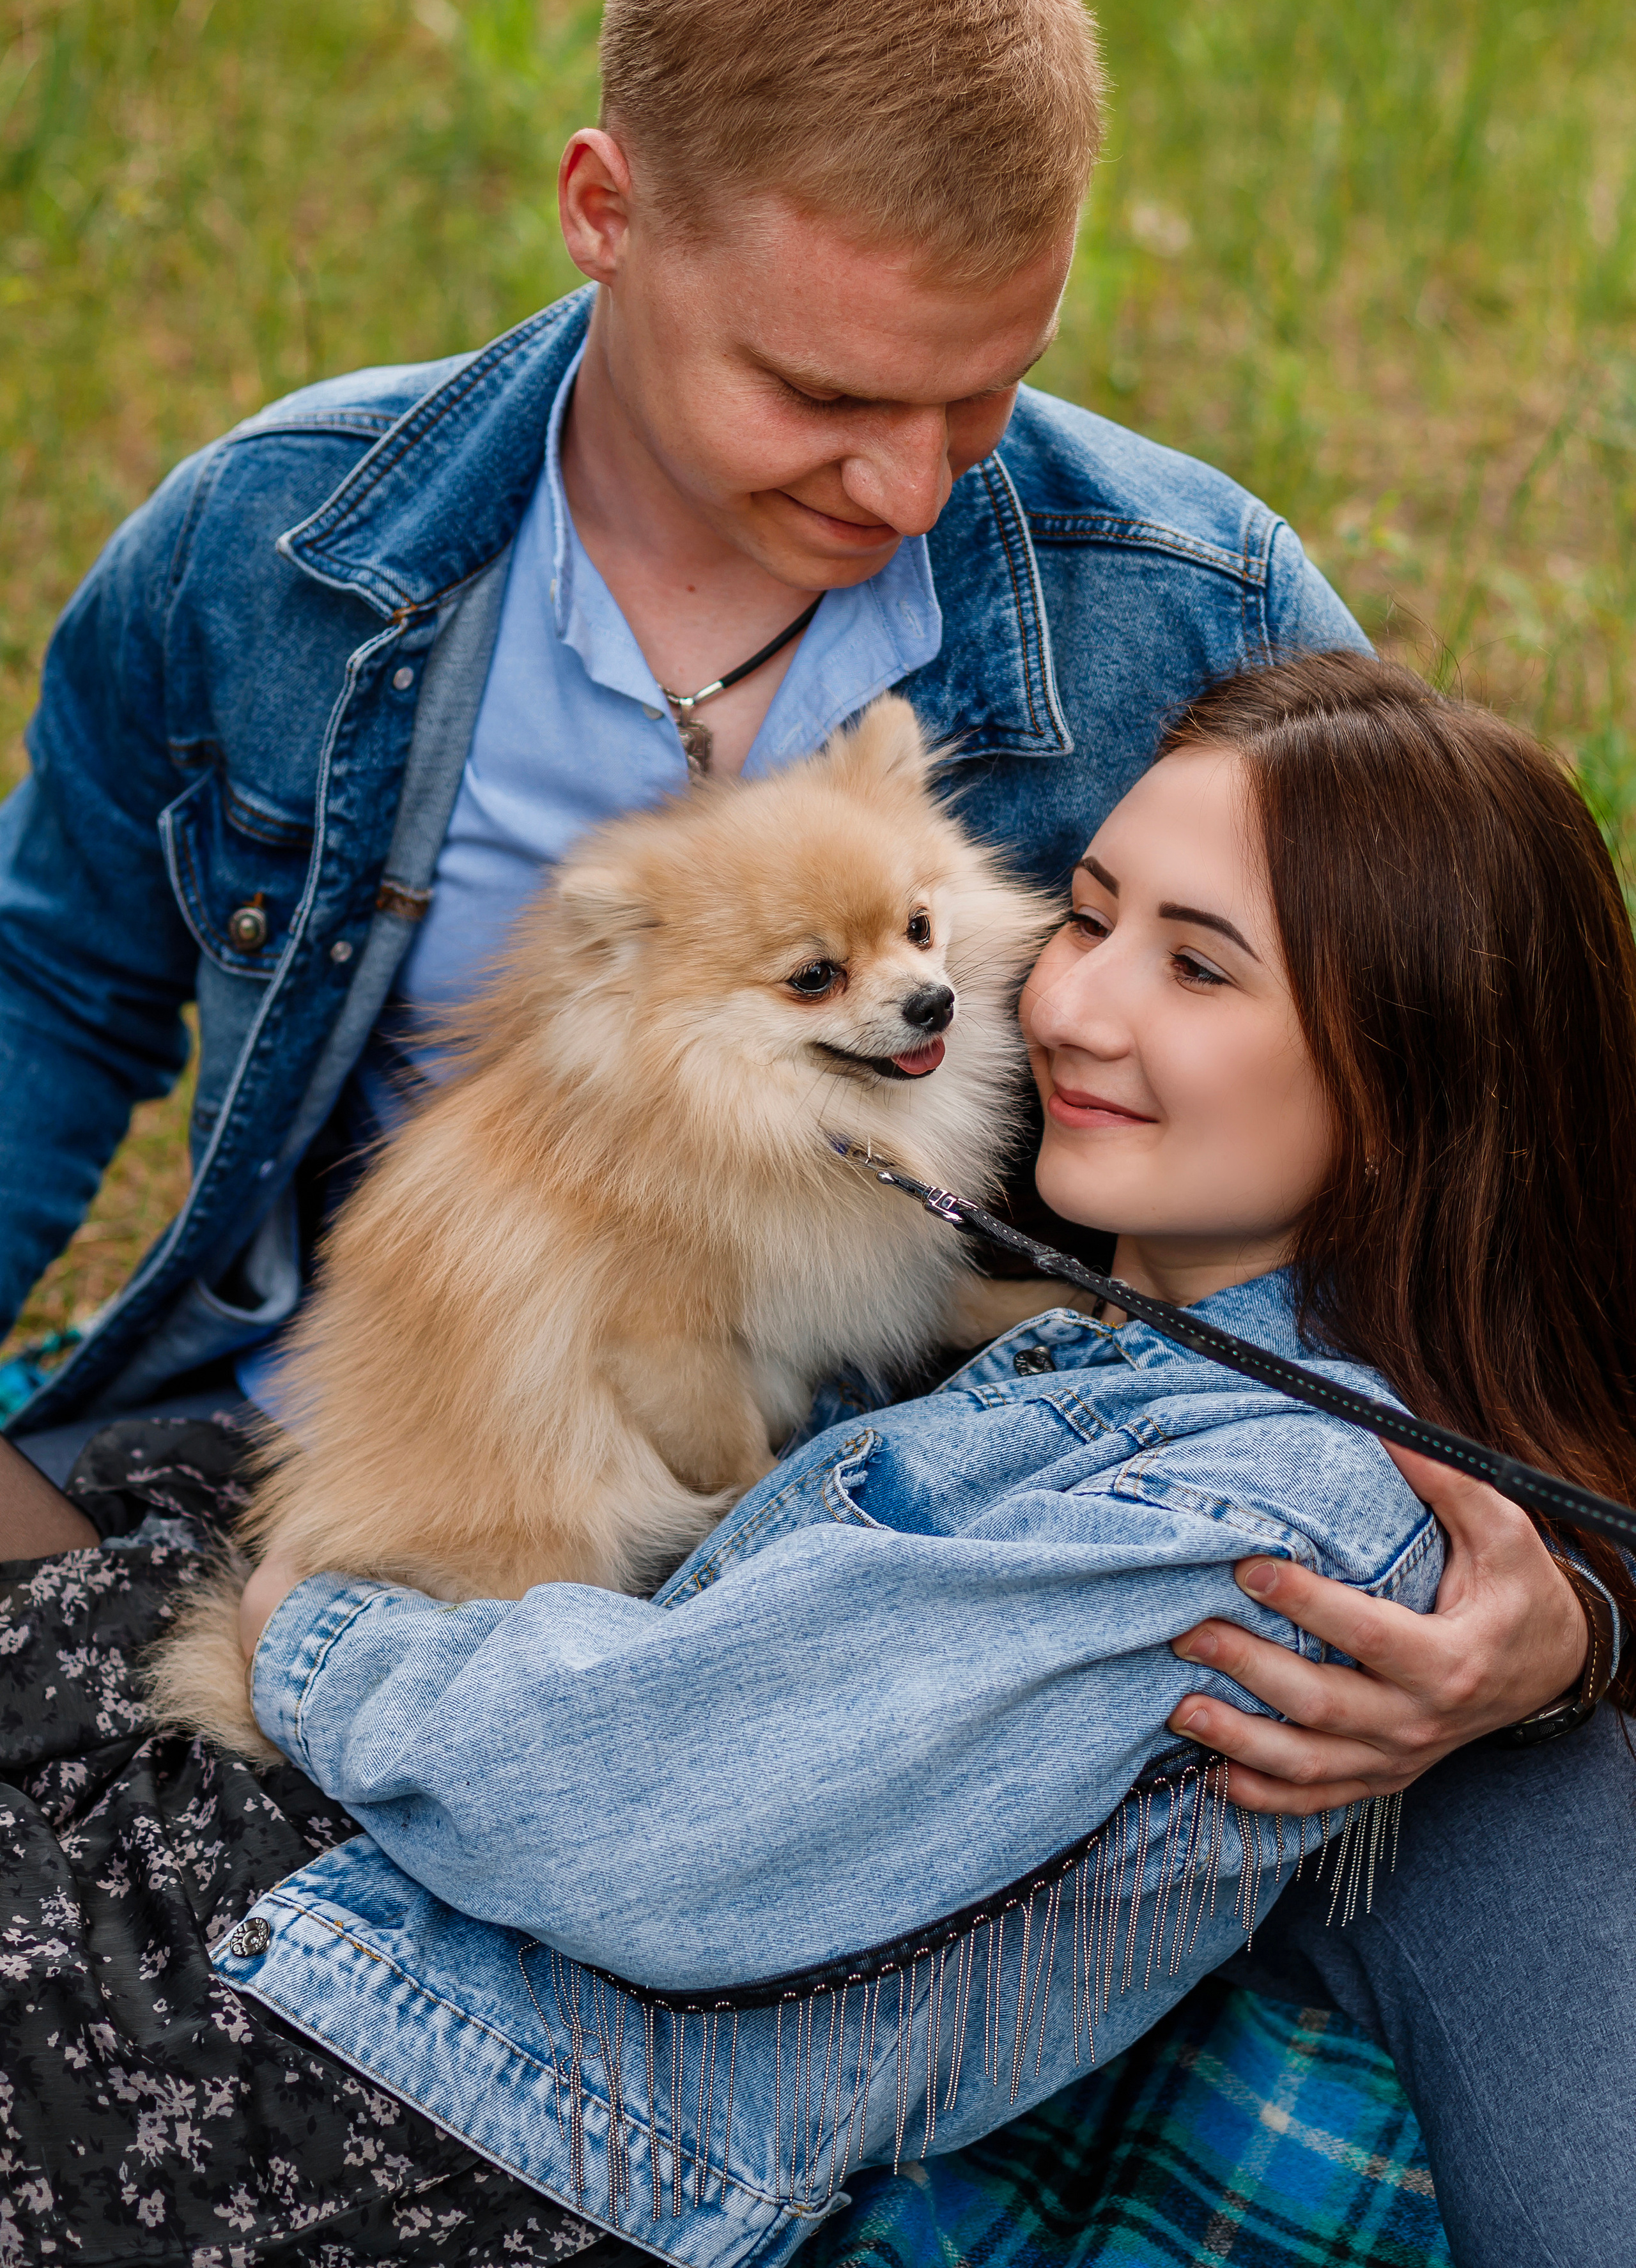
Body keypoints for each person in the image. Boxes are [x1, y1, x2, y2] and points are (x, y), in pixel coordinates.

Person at [0, 0, 1617, 2255]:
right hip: (397, 1437)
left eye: (986, 391)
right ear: (603, 211)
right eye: (824, 391)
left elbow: (1474, 1091)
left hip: (943, 1509)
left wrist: (1572, 1612)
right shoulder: (276, 554)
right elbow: (53, 986)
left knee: (1535, 1799)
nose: (903, 481)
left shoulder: (1183, 605)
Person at [6, 654, 1632, 2268]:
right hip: (389, 1900)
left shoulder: (1244, 1518)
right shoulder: (1106, 1325)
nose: (1058, 1002)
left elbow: (631, 1809)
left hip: (389, 2059)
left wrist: (312, 1636)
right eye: (1083, 916)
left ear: (1414, 1076)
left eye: (1196, 968)